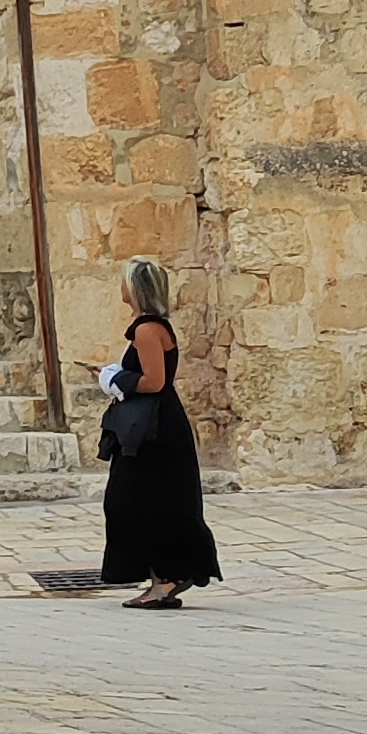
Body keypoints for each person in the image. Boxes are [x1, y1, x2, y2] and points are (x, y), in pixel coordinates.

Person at [99, 257, 221, 608]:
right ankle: (161, 579)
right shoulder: (151, 328)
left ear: (135, 289)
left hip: (154, 431)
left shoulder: (146, 330)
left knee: (142, 502)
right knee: (145, 501)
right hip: (156, 425)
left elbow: (154, 381)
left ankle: (165, 580)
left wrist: (113, 380)